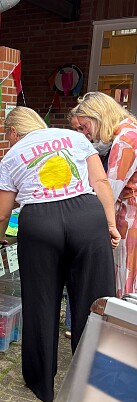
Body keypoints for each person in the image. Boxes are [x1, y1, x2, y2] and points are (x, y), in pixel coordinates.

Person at [0, 107, 119, 402]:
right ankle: (95, 383)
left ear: (13, 131)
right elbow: (100, 183)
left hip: (40, 223)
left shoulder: (12, 155)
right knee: (94, 301)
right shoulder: (74, 138)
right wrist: (110, 224)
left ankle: (42, 384)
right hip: (86, 216)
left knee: (41, 301)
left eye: (7, 135)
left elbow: (1, 213)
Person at [68, 91, 137, 297]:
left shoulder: (125, 140)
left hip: (130, 219)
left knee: (125, 284)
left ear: (99, 117)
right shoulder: (129, 131)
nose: (84, 134)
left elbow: (108, 191)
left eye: (84, 126)